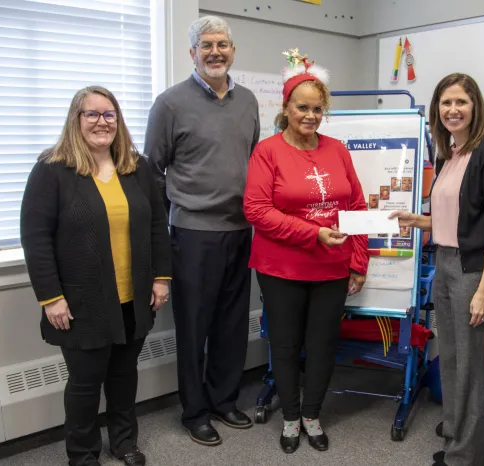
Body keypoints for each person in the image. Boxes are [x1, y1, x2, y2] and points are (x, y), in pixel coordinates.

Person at [20, 86, 172, 466]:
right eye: (92, 114)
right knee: (85, 385)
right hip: (81, 301)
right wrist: (51, 297)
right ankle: (83, 453)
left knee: (124, 378)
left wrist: (161, 278)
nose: (102, 122)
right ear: (76, 120)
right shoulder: (52, 169)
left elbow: (157, 225)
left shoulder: (137, 167)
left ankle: (123, 442)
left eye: (109, 114)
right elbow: (35, 238)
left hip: (132, 297)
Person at [243, 49, 369, 454]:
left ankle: (312, 414)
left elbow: (357, 208)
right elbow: (256, 210)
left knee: (322, 345)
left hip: (332, 267)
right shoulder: (268, 151)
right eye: (302, 107)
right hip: (280, 267)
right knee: (283, 344)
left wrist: (358, 260)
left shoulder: (337, 150)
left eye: (317, 108)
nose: (310, 116)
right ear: (286, 107)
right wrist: (312, 234)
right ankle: (291, 418)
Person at [143, 15, 260, 446]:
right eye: (206, 45)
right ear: (192, 52)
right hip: (192, 232)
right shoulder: (170, 103)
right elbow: (151, 172)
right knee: (194, 326)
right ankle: (194, 411)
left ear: (232, 51)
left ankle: (224, 400)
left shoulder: (248, 100)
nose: (215, 52)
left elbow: (252, 161)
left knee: (231, 323)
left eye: (222, 45)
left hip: (240, 229)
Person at [389, 73, 484, 466]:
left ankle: (468, 457)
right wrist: (419, 220)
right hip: (444, 261)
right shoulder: (449, 155)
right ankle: (458, 434)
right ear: (436, 110)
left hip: (475, 269)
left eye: (461, 102)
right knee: (455, 359)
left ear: (475, 107)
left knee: (474, 365)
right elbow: (457, 219)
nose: (453, 110)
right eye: (445, 103)